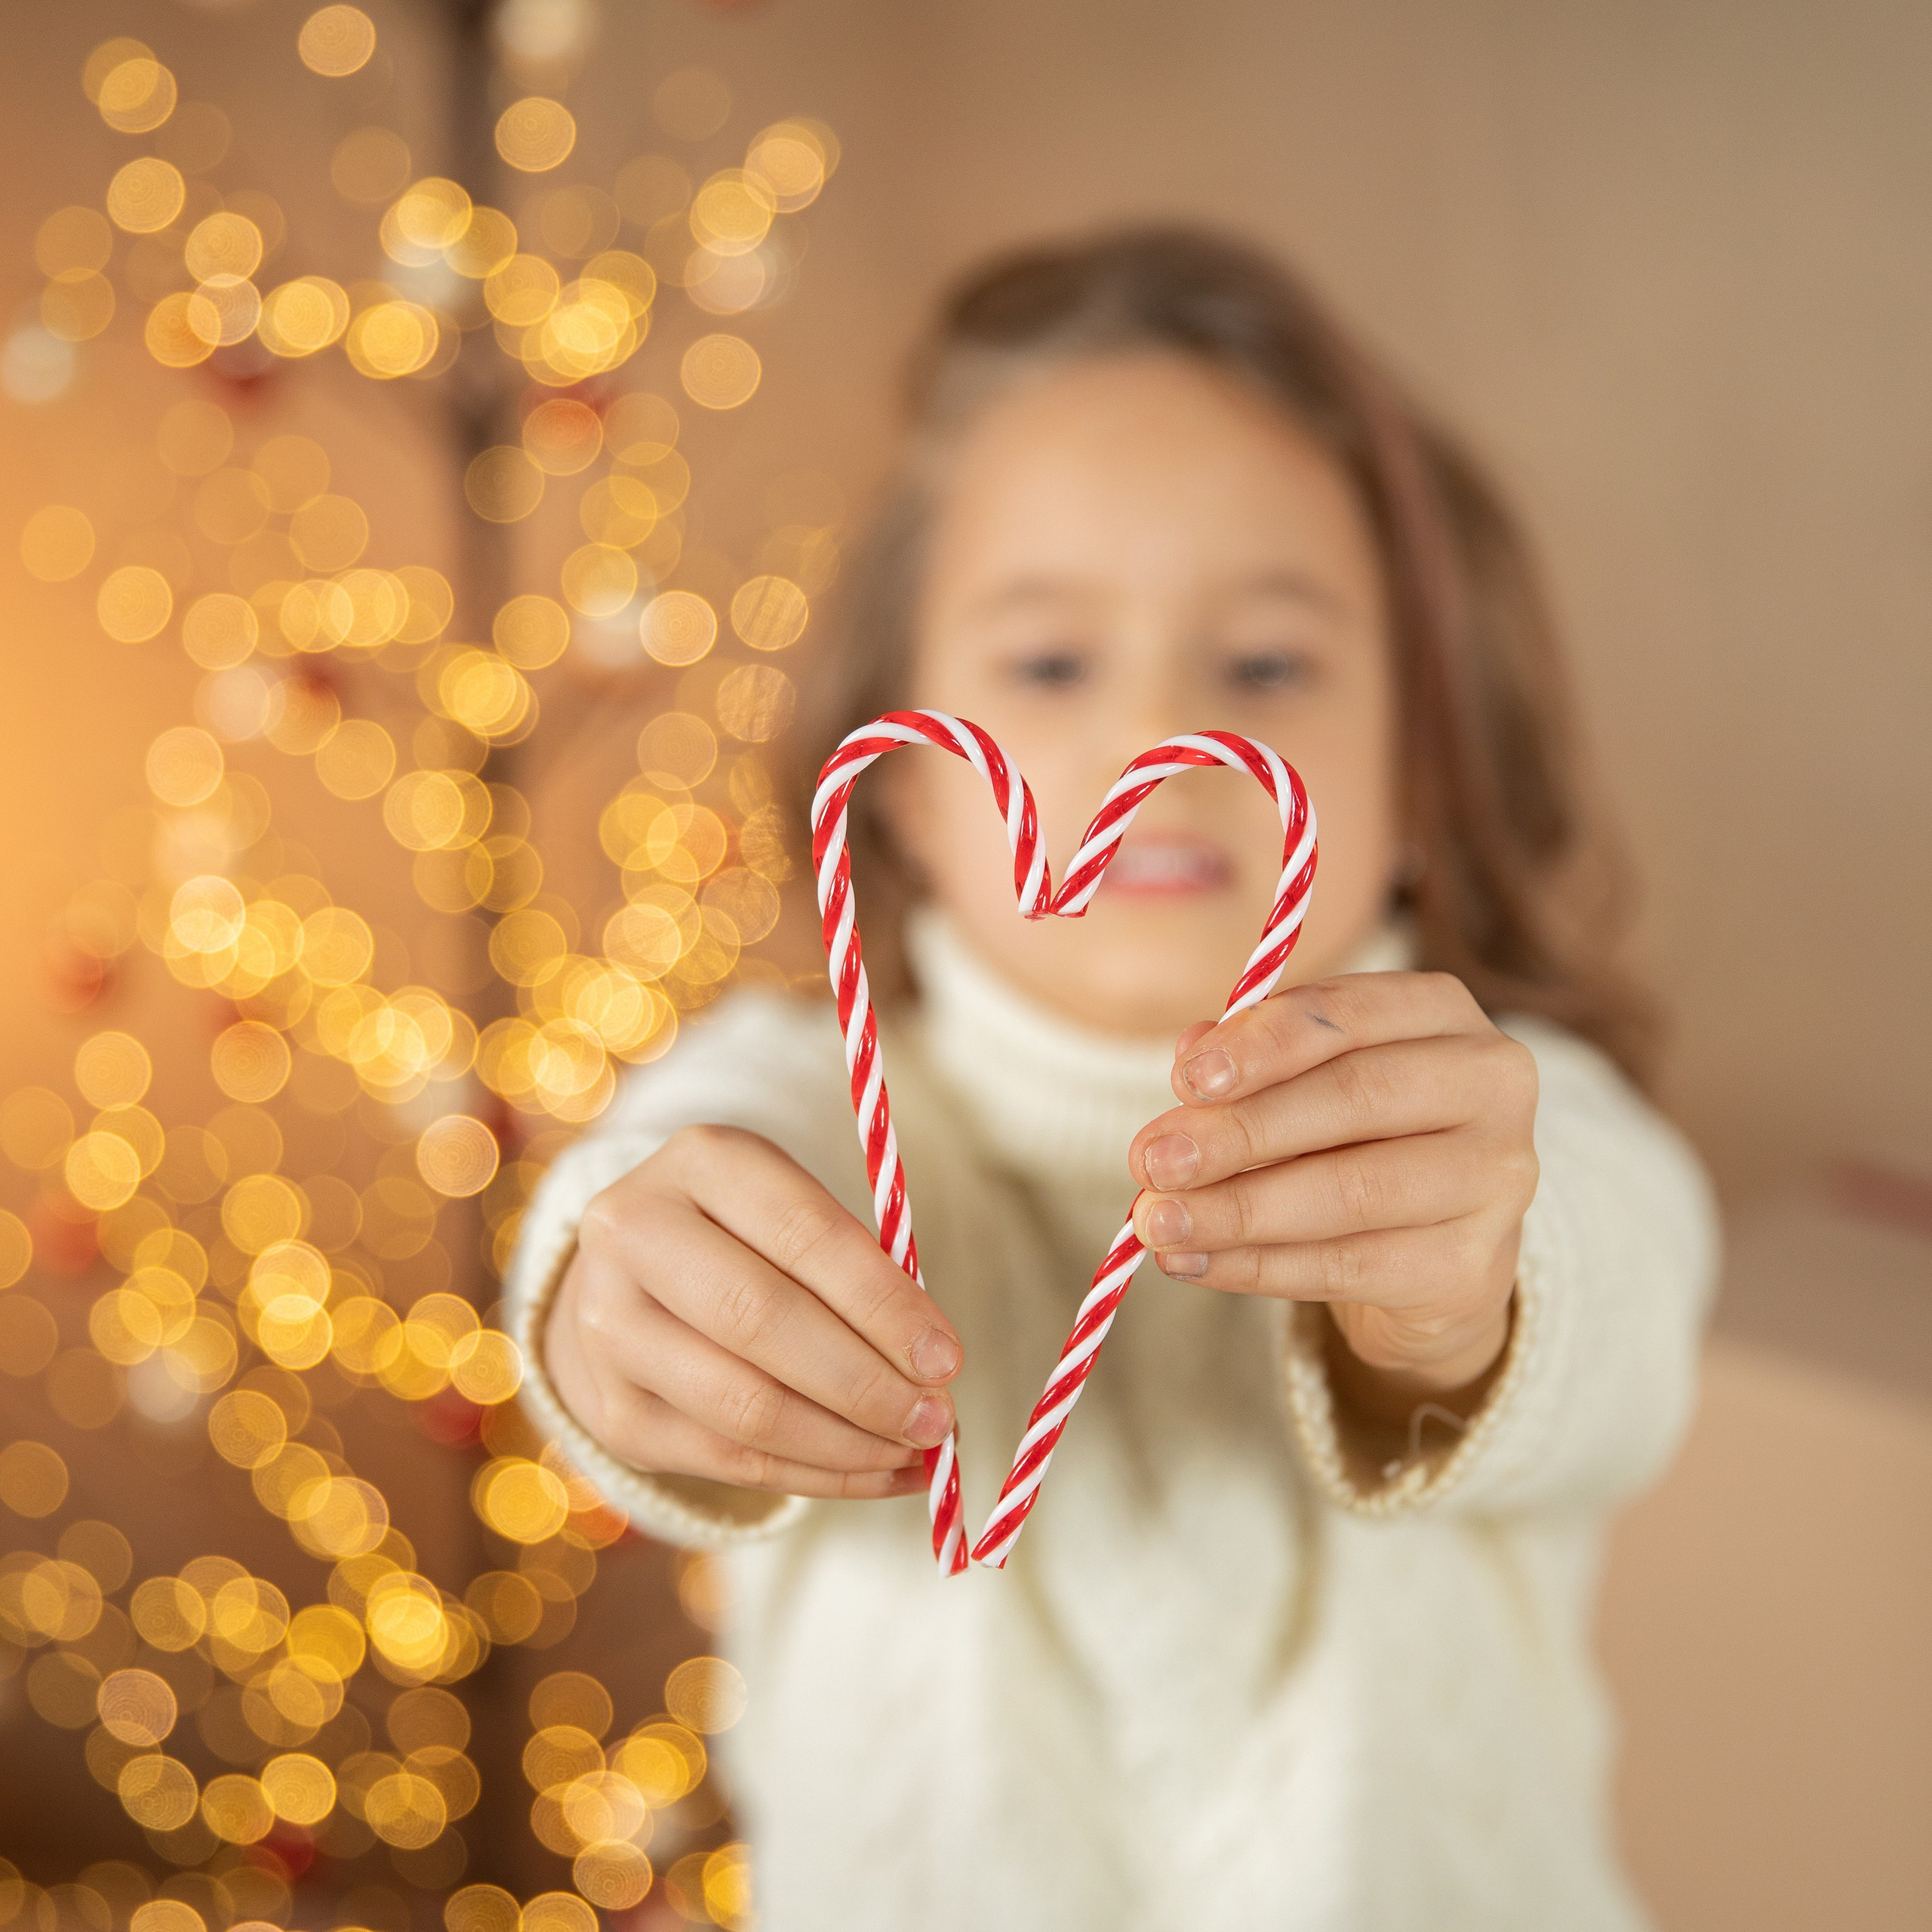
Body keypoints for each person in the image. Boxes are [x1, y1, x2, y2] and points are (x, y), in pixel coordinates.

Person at [506, 228, 1717, 1930]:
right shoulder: (807, 1099)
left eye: (1267, 666)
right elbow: (643, 1191)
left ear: (1427, 759)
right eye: (1051, 664)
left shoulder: (1512, 1118)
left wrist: (1459, 1300)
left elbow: (1619, 1295)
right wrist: (616, 1311)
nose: (1154, 733)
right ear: (908, 778)